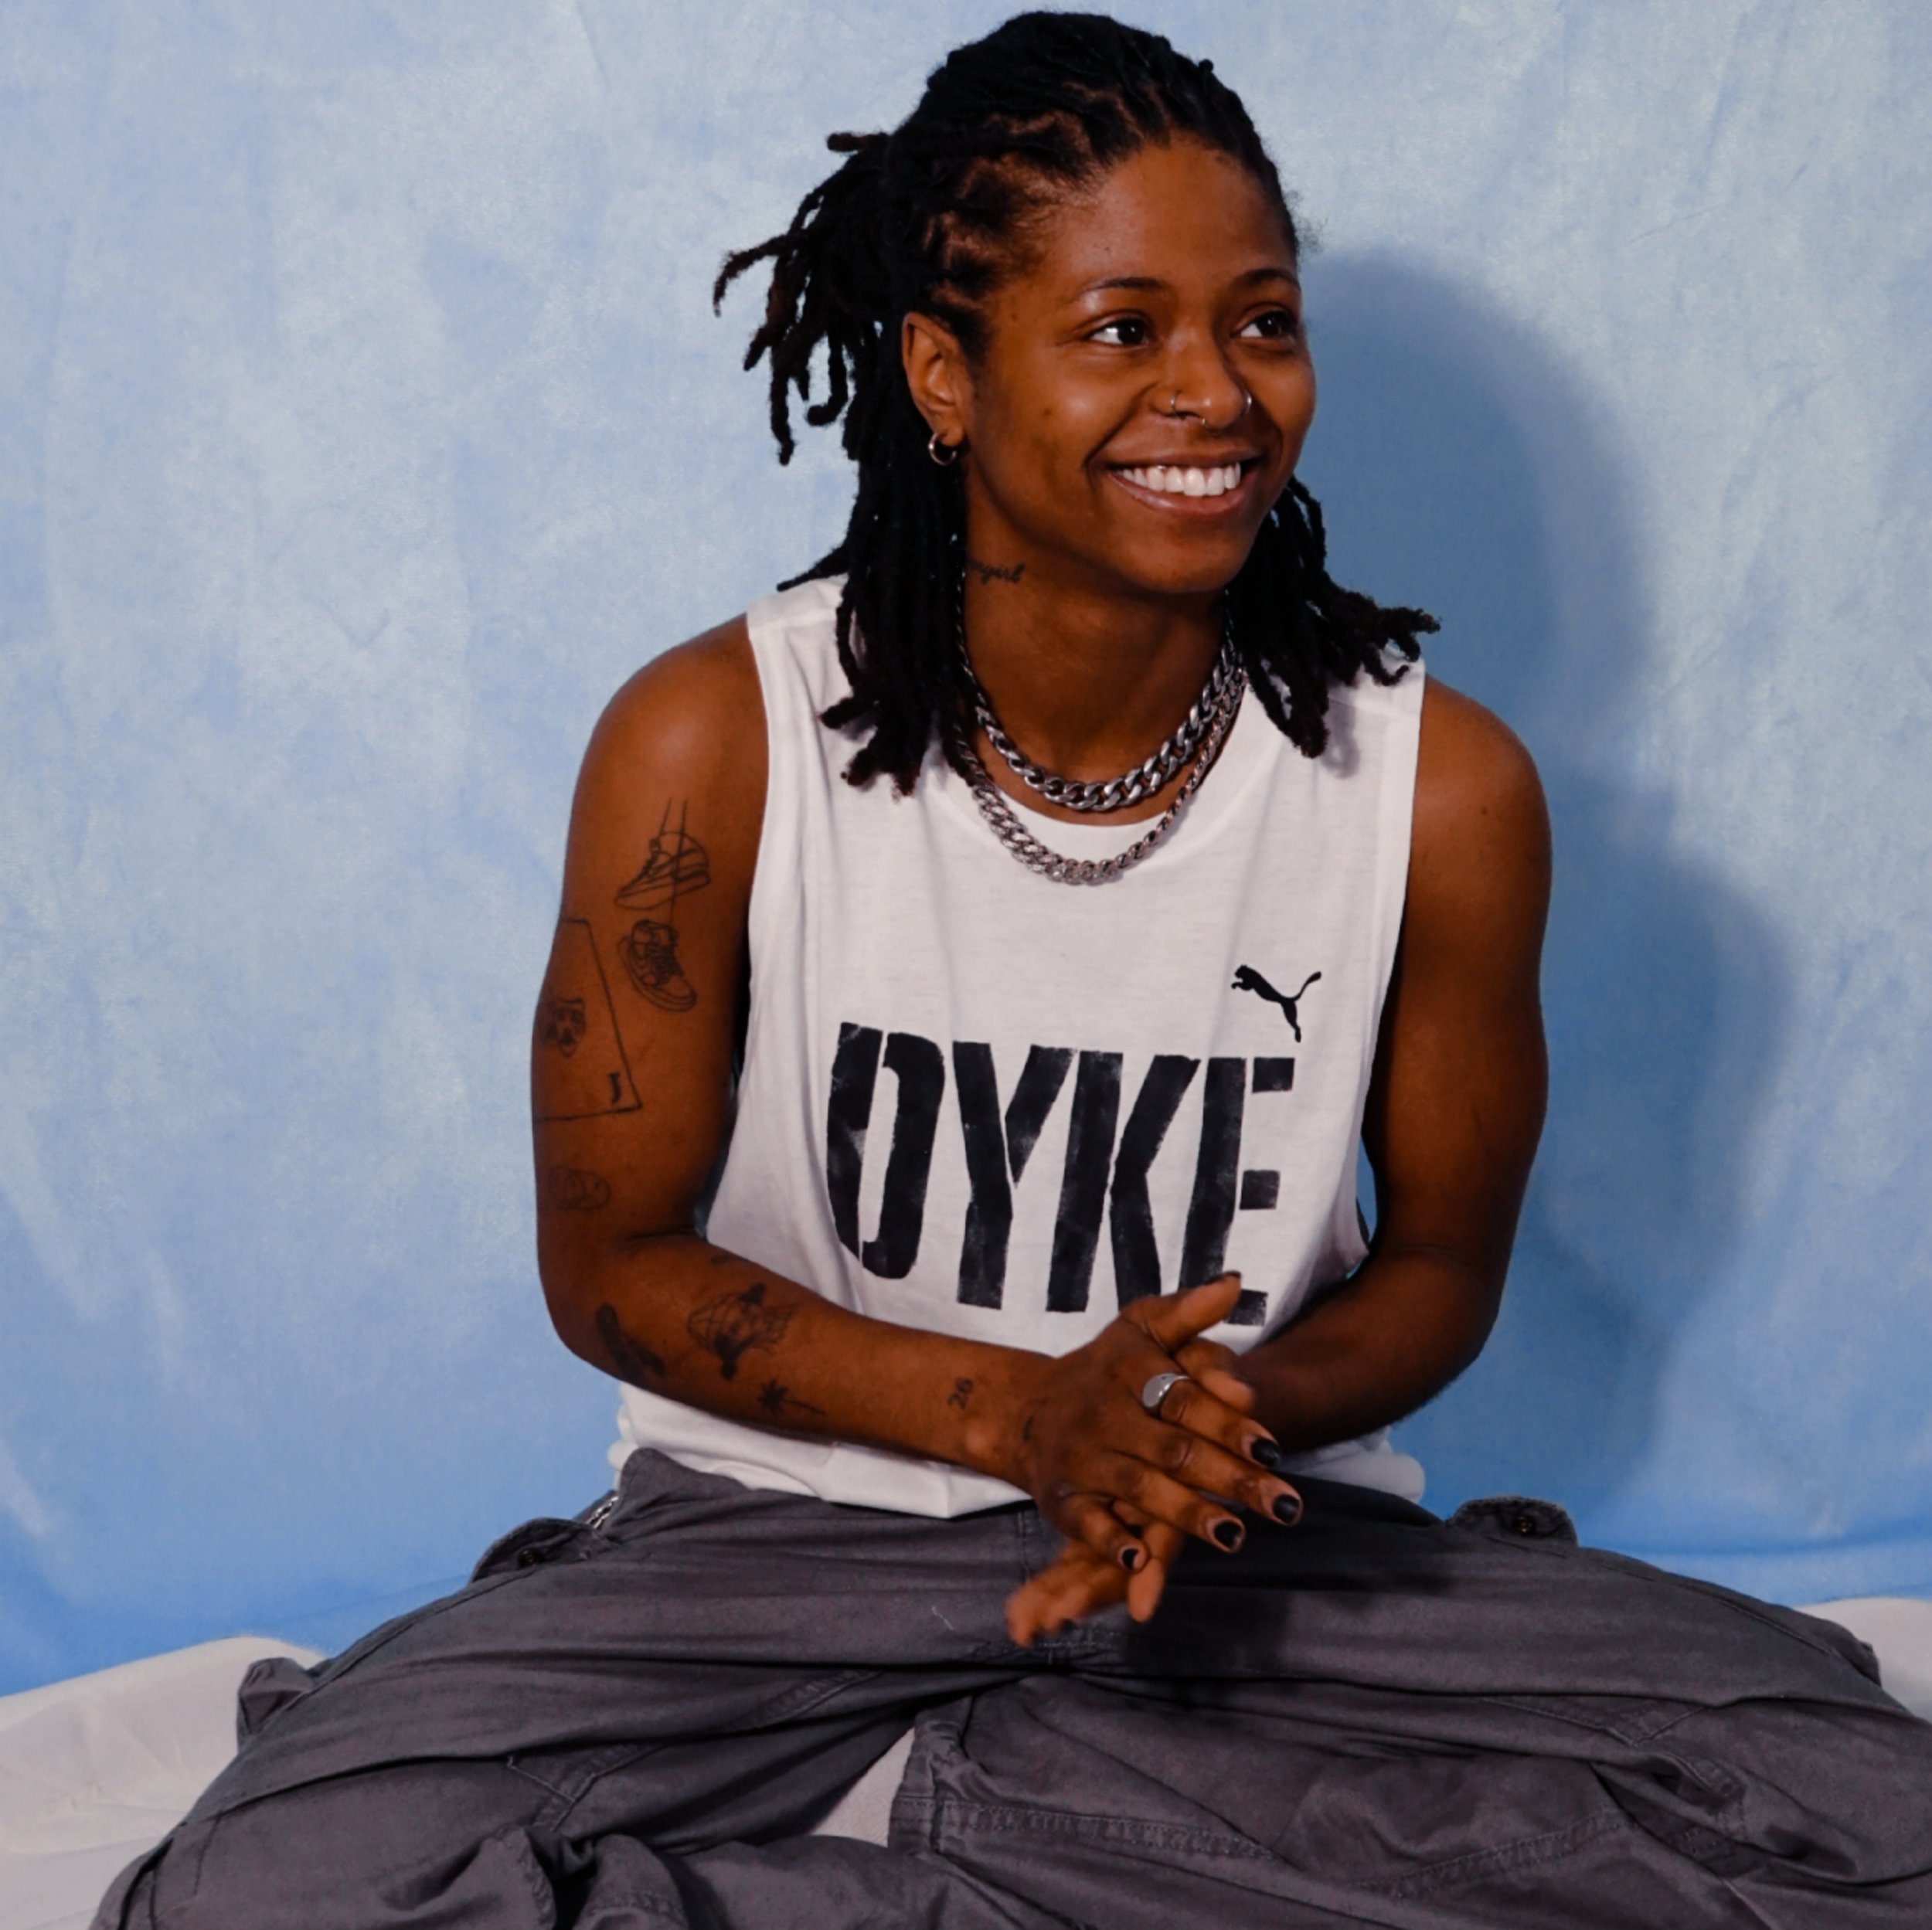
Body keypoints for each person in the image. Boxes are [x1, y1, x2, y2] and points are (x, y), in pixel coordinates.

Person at [96, 12, 1932, 1927]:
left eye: (1261, 320)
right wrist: (1019, 1416)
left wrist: (1207, 1429)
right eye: (1122, 328)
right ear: (941, 374)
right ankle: (1101, 1834)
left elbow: (1443, 1268)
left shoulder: (1437, 791)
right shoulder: (710, 743)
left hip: (1239, 1543)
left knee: (1866, 1800)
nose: (1214, 392)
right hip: (771, 1539)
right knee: (260, 1882)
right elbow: (612, 1263)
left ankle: (994, 1805)